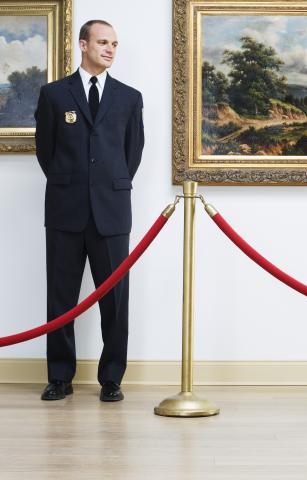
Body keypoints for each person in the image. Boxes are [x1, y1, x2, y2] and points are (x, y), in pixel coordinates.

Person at [35, 20, 144, 402]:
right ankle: (59, 377)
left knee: (115, 300)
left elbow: (132, 154)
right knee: (60, 298)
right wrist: (74, 184)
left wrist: (105, 186)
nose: (110, 49)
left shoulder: (129, 98)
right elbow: (45, 153)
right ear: (83, 45)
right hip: (65, 210)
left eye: (115, 43)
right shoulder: (53, 95)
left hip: (112, 212)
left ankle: (111, 378)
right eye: (102, 42)